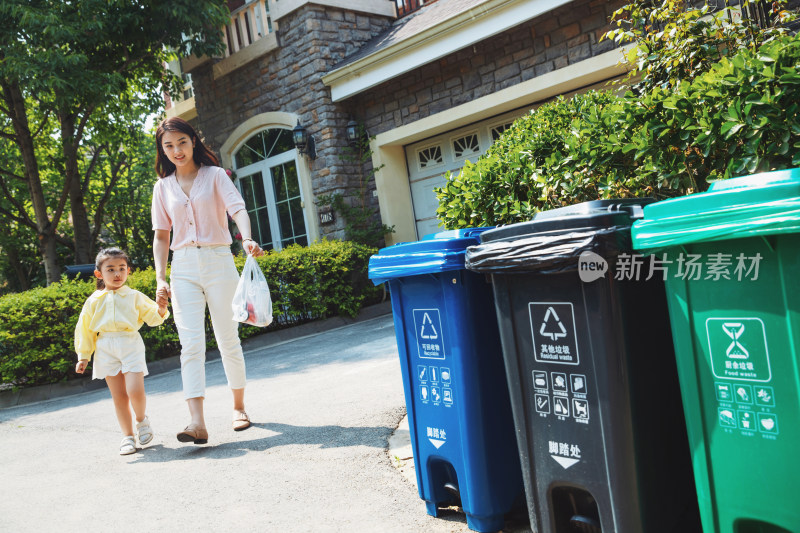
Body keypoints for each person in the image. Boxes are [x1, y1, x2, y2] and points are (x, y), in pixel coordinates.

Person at [151, 117, 264, 445]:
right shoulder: (162, 188)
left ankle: (239, 407)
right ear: (162, 149)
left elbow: (238, 209)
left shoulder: (215, 176)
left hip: (218, 260)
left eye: (182, 142)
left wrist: (246, 238)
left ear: (193, 141)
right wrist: (160, 277)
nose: (176, 151)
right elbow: (161, 236)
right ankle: (197, 422)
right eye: (168, 146)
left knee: (228, 339)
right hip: (182, 266)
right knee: (190, 344)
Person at [74, 247, 169, 455]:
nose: (117, 274)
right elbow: (84, 328)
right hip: (105, 348)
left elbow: (153, 317)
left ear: (128, 270)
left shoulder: (134, 296)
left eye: (122, 268)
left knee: (135, 390)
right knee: (119, 397)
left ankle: (142, 420)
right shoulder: (93, 301)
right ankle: (127, 437)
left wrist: (161, 309)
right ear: (99, 273)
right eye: (110, 269)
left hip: (130, 344)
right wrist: (83, 355)